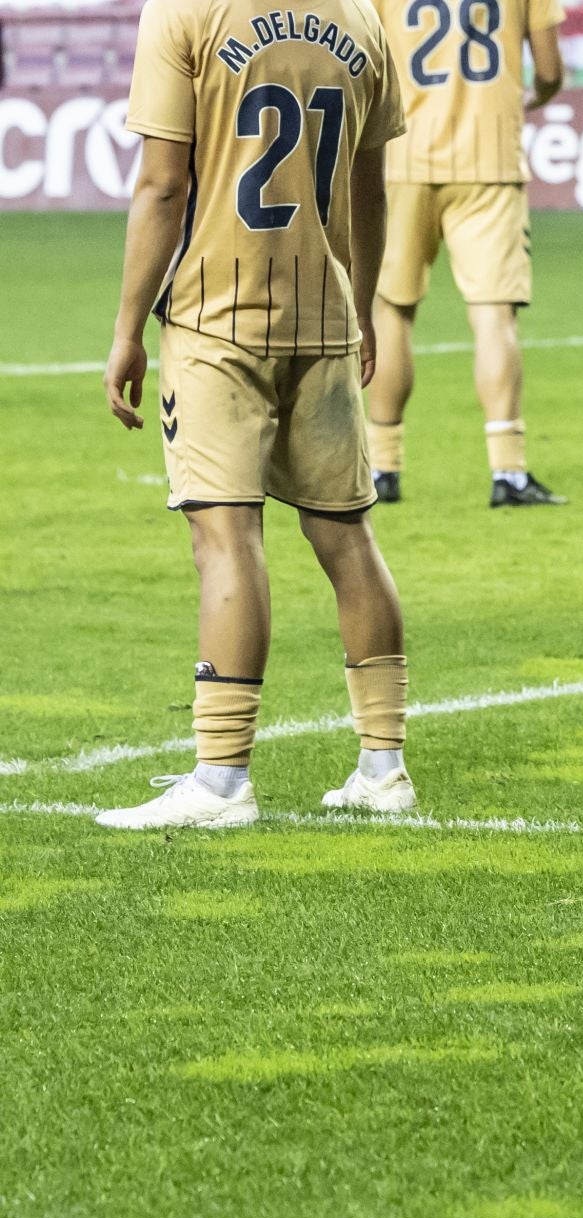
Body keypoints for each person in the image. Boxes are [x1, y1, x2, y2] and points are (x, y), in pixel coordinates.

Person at [100, 0, 417, 828]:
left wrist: (127, 329)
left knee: (225, 536)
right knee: (347, 534)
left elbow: (164, 184)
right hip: (323, 313)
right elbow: (369, 187)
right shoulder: (363, 20)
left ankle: (221, 780)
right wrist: (364, 304)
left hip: (217, 317)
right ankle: (384, 767)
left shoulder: (185, 12)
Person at [365, 0, 569, 508]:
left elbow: (360, 59)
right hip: (490, 159)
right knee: (494, 318)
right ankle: (508, 470)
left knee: (391, 312)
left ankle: (381, 467)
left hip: (401, 156)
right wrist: (526, 97)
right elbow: (549, 72)